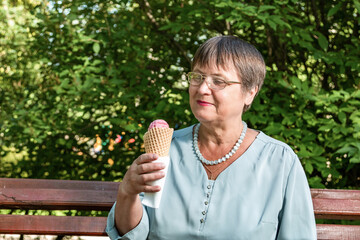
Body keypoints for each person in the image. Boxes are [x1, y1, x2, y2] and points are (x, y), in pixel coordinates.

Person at [106, 35, 317, 239]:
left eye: (219, 81)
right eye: (197, 77)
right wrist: (127, 192)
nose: (203, 88)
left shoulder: (280, 161)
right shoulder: (166, 149)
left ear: (250, 92)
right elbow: (132, 235)